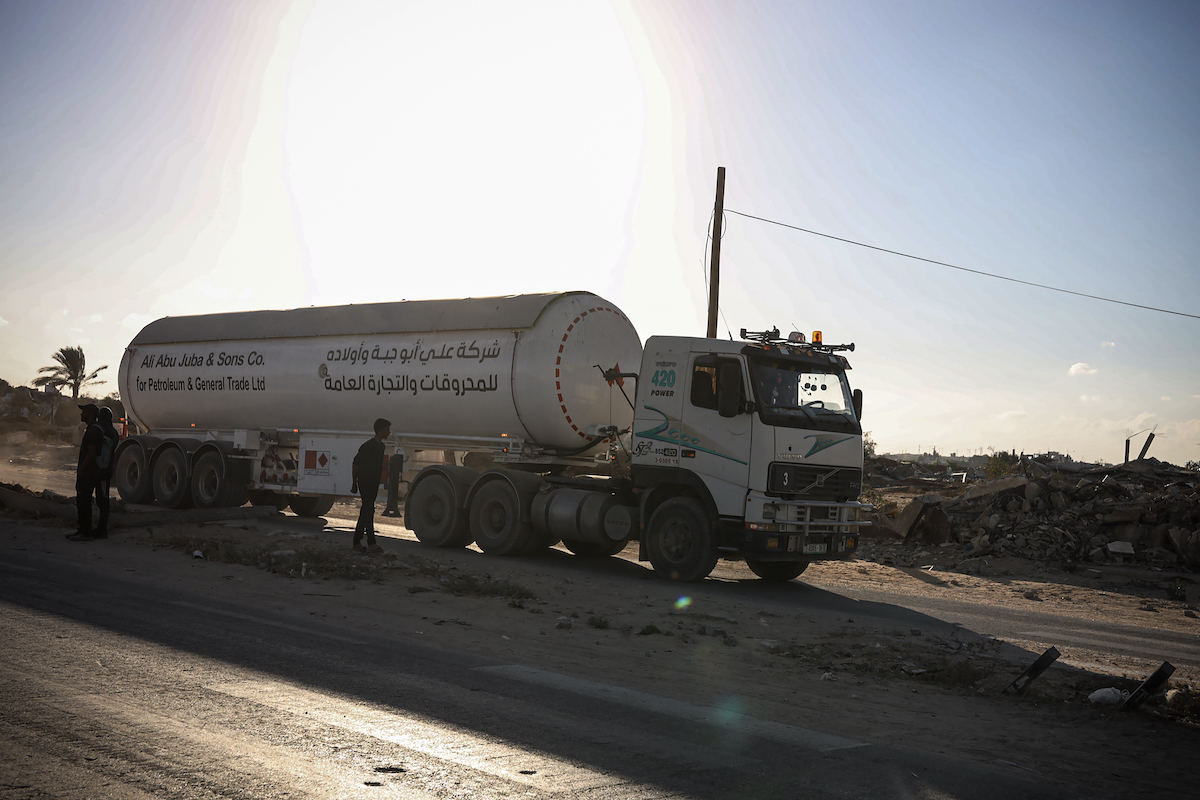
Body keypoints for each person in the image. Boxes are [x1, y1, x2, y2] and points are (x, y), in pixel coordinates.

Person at [69, 403, 108, 541]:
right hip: (89, 472)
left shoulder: (93, 431)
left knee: (84, 502)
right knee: (82, 501)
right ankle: (82, 530)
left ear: (90, 414)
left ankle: (85, 532)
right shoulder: (94, 429)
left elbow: (91, 453)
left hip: (88, 473)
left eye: (84, 411)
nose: (81, 414)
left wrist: (82, 469)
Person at [351, 418, 390, 552]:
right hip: (365, 482)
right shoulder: (367, 446)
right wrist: (354, 483)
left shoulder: (381, 447)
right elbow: (356, 465)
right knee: (368, 510)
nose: (389, 432)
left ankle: (357, 542)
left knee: (366, 510)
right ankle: (371, 542)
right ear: (380, 430)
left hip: (373, 483)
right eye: (387, 429)